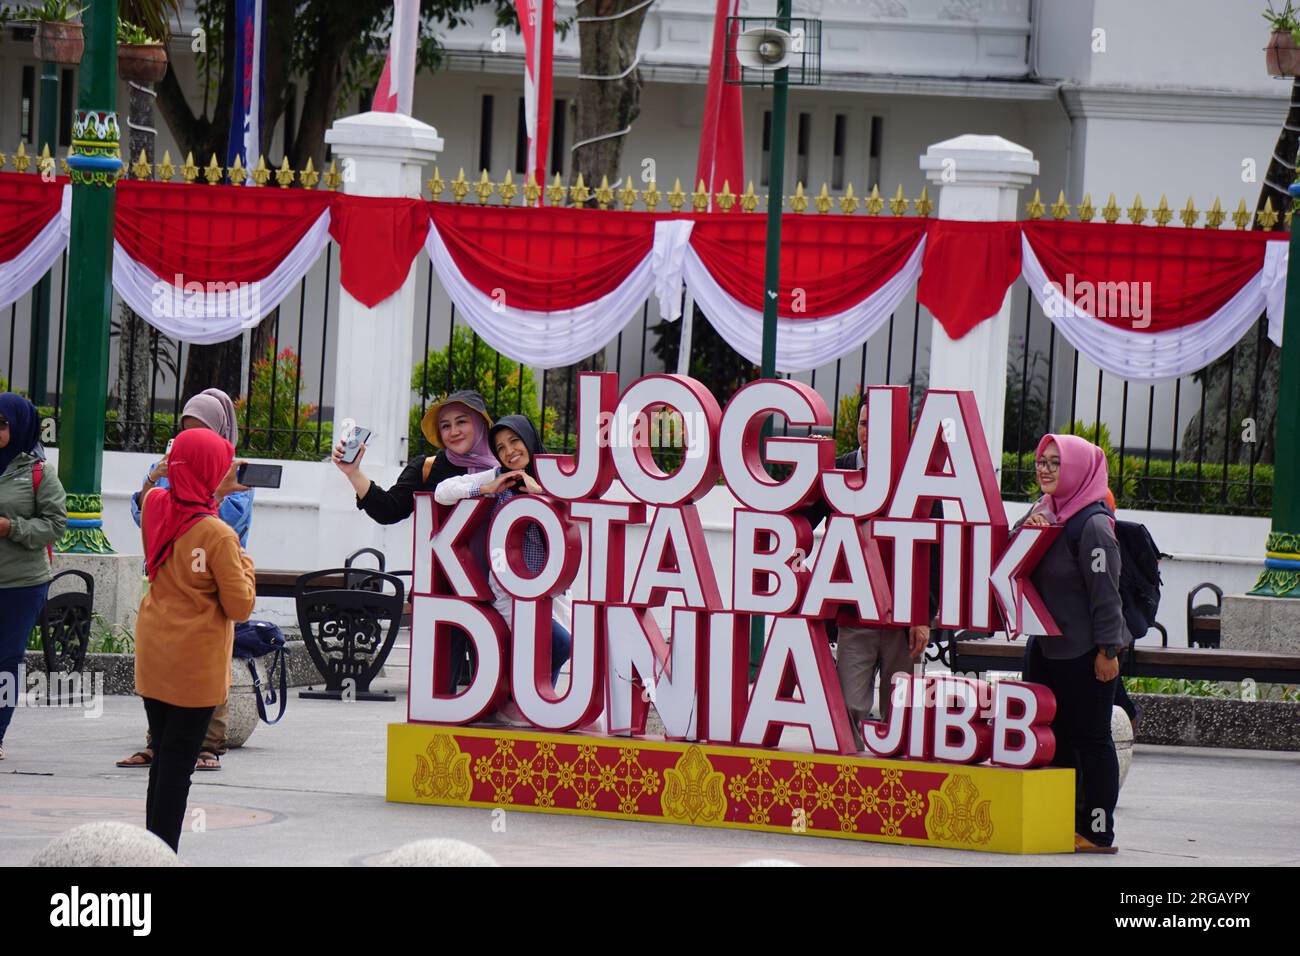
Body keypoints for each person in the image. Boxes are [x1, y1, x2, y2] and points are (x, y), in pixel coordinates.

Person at [134, 427, 256, 853]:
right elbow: (240, 607)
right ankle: (162, 855)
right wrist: (245, 560)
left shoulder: (155, 505)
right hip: (195, 665)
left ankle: (147, 850)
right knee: (179, 763)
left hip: (154, 653)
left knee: (162, 756)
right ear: (209, 472)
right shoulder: (220, 535)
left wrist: (202, 489)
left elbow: (165, 496)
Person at [118, 388, 252, 772]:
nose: (190, 438)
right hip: (180, 585)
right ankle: (160, 745)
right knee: (172, 766)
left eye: (202, 430)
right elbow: (143, 509)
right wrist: (160, 476)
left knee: (210, 665)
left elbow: (227, 523)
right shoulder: (171, 480)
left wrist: (204, 489)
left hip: (211, 579)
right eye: (186, 430)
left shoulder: (230, 476)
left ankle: (207, 745)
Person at [333, 390, 497, 688]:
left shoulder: (505, 465)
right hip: (444, 590)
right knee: (442, 687)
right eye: (445, 425)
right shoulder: (428, 467)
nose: (453, 431)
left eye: (462, 421)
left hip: (497, 588)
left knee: (493, 687)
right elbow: (389, 510)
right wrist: (353, 473)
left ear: (481, 424)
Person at [1019, 433, 1128, 854]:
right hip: (1046, 650)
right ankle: (1065, 822)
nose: (1044, 469)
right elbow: (1009, 562)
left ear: (1078, 471)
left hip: (1085, 654)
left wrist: (1108, 651)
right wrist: (1026, 531)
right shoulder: (1044, 512)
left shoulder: (1094, 525)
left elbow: (1106, 594)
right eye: (1041, 461)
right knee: (1057, 740)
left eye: (1054, 462)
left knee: (1093, 742)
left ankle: (1098, 832)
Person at [802, 394, 930, 749]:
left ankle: (897, 790)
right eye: (863, 424)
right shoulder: (839, 471)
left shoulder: (913, 477)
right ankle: (852, 785)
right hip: (854, 617)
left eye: (878, 425)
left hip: (903, 622)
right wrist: (809, 472)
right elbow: (800, 523)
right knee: (846, 708)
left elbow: (931, 551)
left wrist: (923, 615)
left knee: (900, 716)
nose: (868, 433)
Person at [434, 415, 573, 700]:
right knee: (556, 643)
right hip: (508, 587)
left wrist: (544, 494)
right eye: (500, 447)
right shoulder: (498, 474)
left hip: (550, 588)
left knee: (553, 649)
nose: (509, 451)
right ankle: (532, 704)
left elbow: (580, 515)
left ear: (529, 439)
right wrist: (485, 488)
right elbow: (441, 492)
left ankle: (535, 706)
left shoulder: (556, 477)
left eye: (514, 441)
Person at [0, 393, 67, 760]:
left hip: (21, 584)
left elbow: (57, 524)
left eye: (2, 423)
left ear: (21, 425)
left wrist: (12, 527)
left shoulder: (38, 472)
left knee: (7, 659)